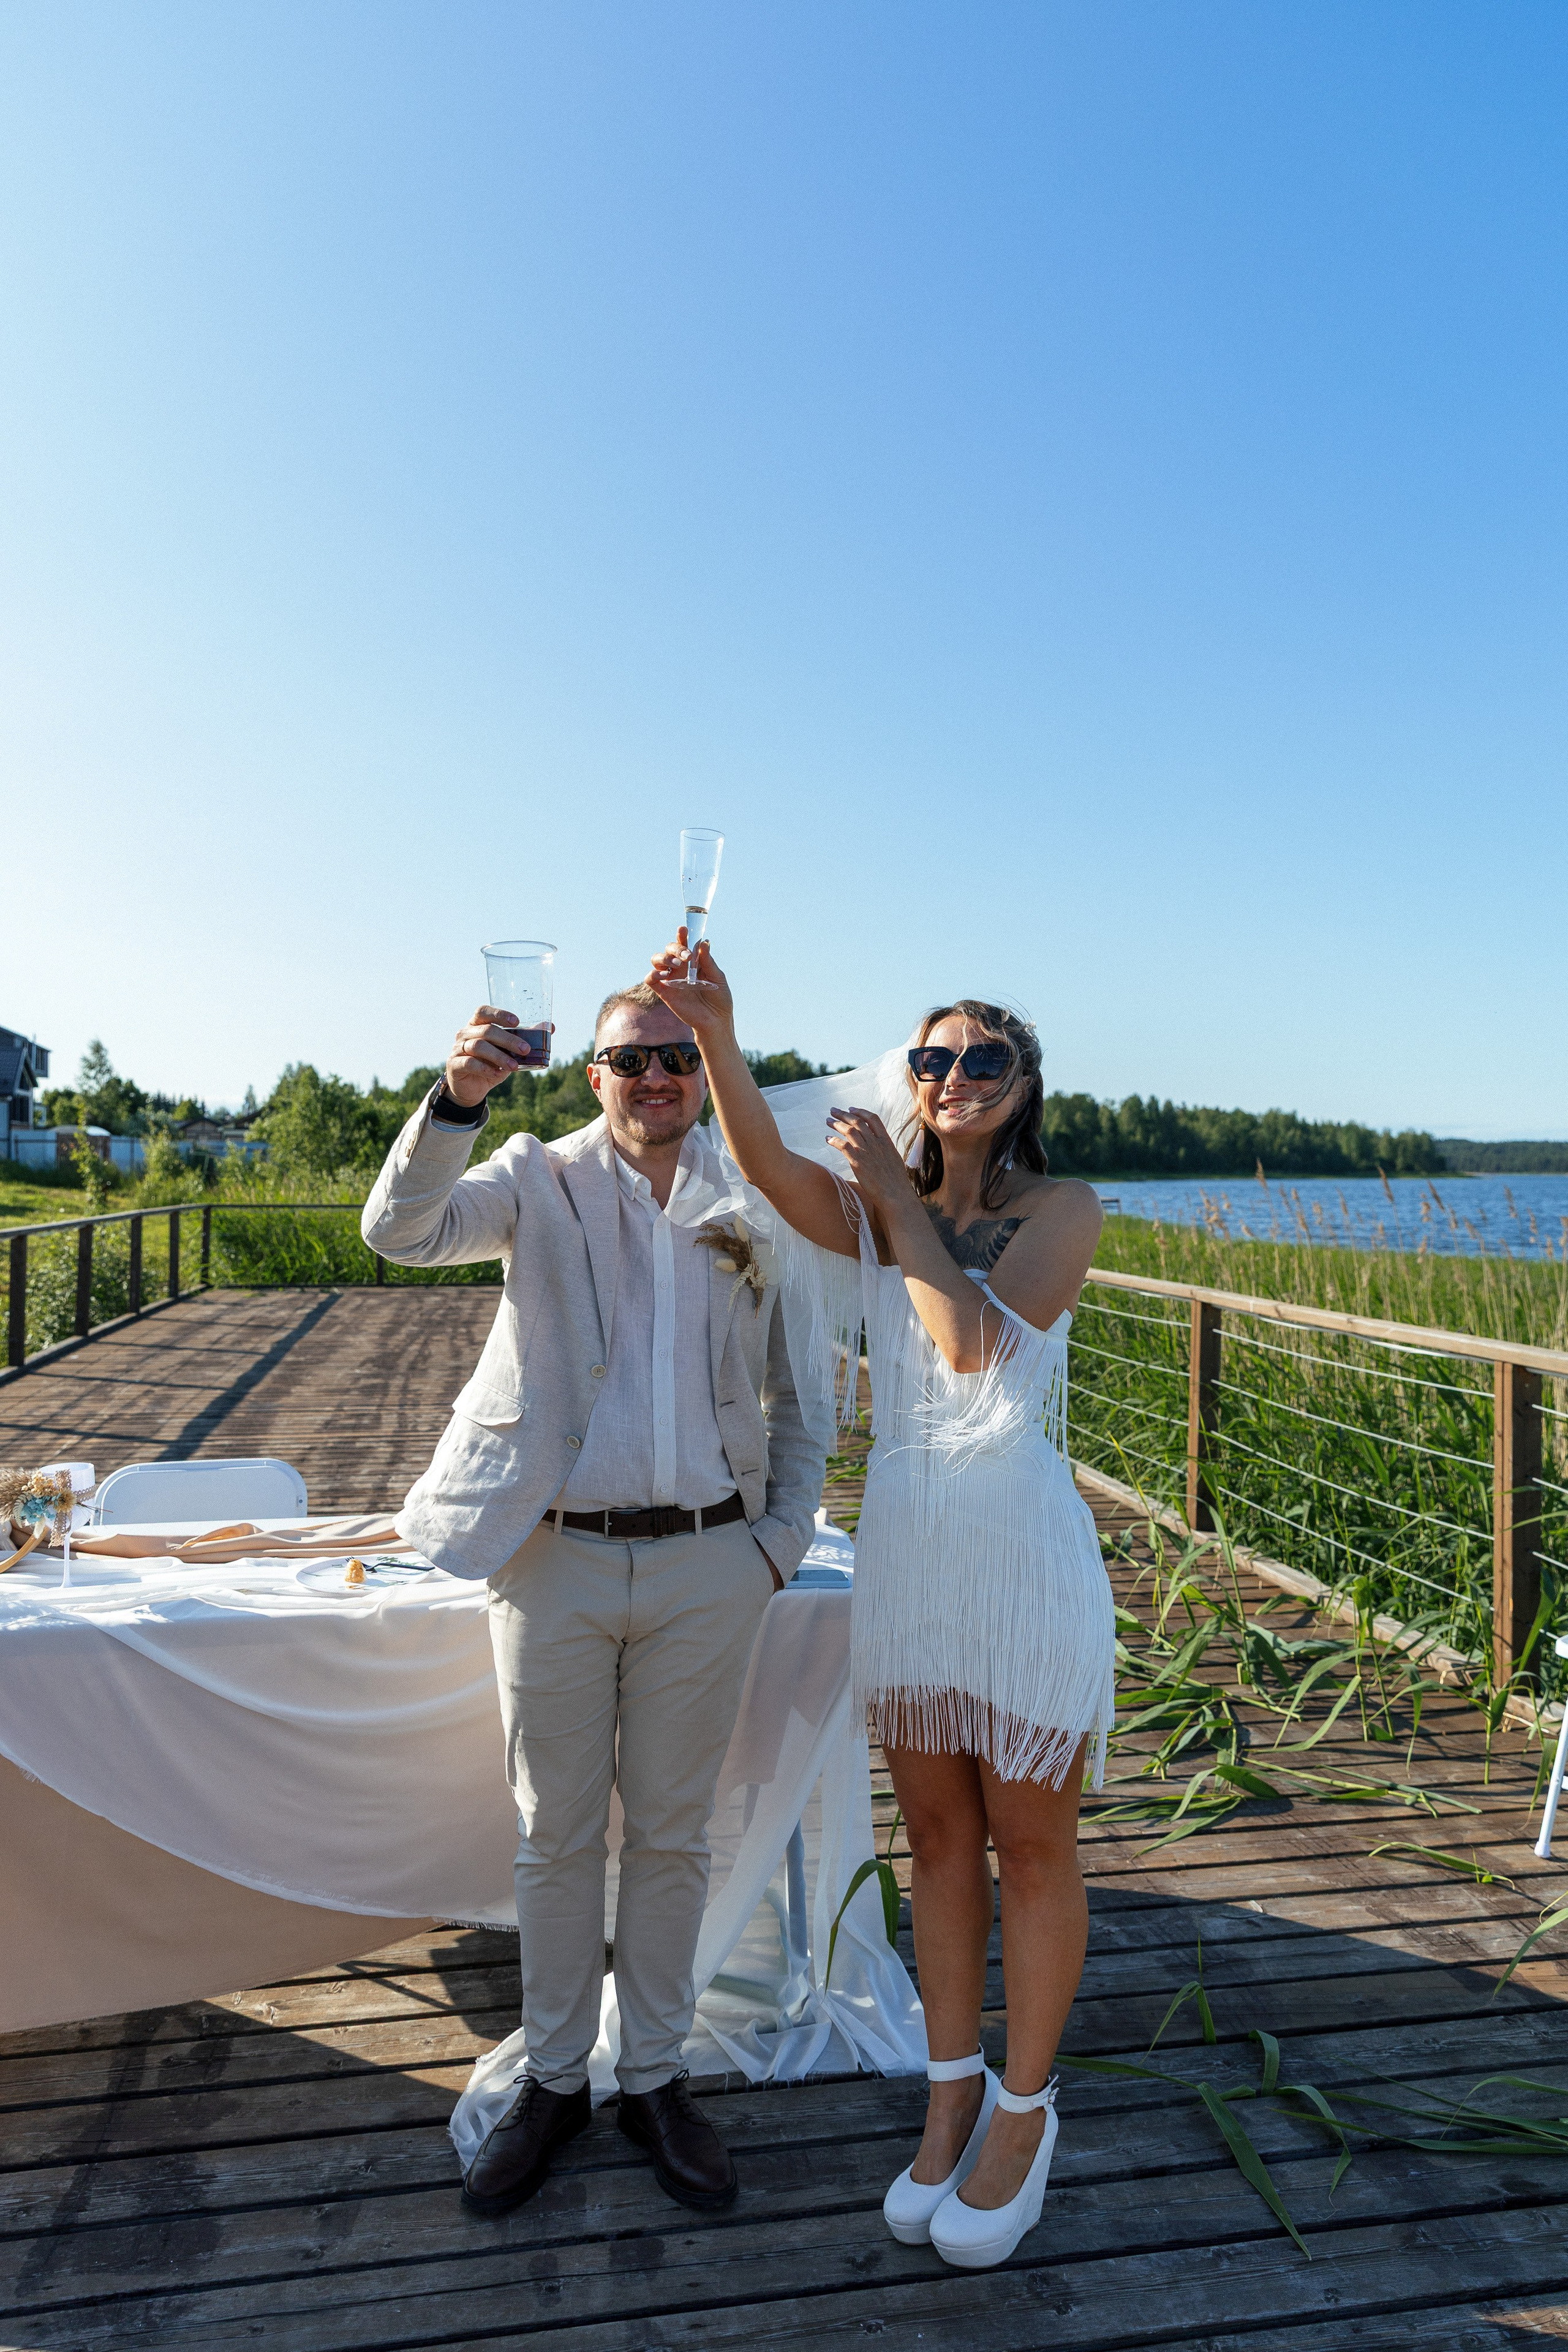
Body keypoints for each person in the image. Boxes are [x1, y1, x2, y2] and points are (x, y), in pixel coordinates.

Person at [645, 938, 1115, 2272]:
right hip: (909, 1549)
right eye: (930, 1056)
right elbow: (765, 1169)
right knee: (932, 1838)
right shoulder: (871, 1207)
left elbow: (970, 1351)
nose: (951, 1074)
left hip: (1018, 1555)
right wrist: (718, 1035)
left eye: (980, 1059)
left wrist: (893, 1201)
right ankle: (948, 2086)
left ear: (1019, 1087)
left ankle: (1024, 2112)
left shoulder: (1060, 1210)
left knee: (1030, 1845)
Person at [361, 985, 824, 2218]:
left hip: (709, 1564)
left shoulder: (750, 1197)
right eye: (632, 1059)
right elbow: (400, 1231)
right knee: (552, 1833)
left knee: (672, 1833)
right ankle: (557, 2081)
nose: (657, 1077)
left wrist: (776, 1544)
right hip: (553, 1556)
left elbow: (799, 1390)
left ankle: (657, 2078)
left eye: (678, 1057)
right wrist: (457, 1096)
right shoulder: (534, 1177)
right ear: (593, 1075)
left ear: (702, 1070)